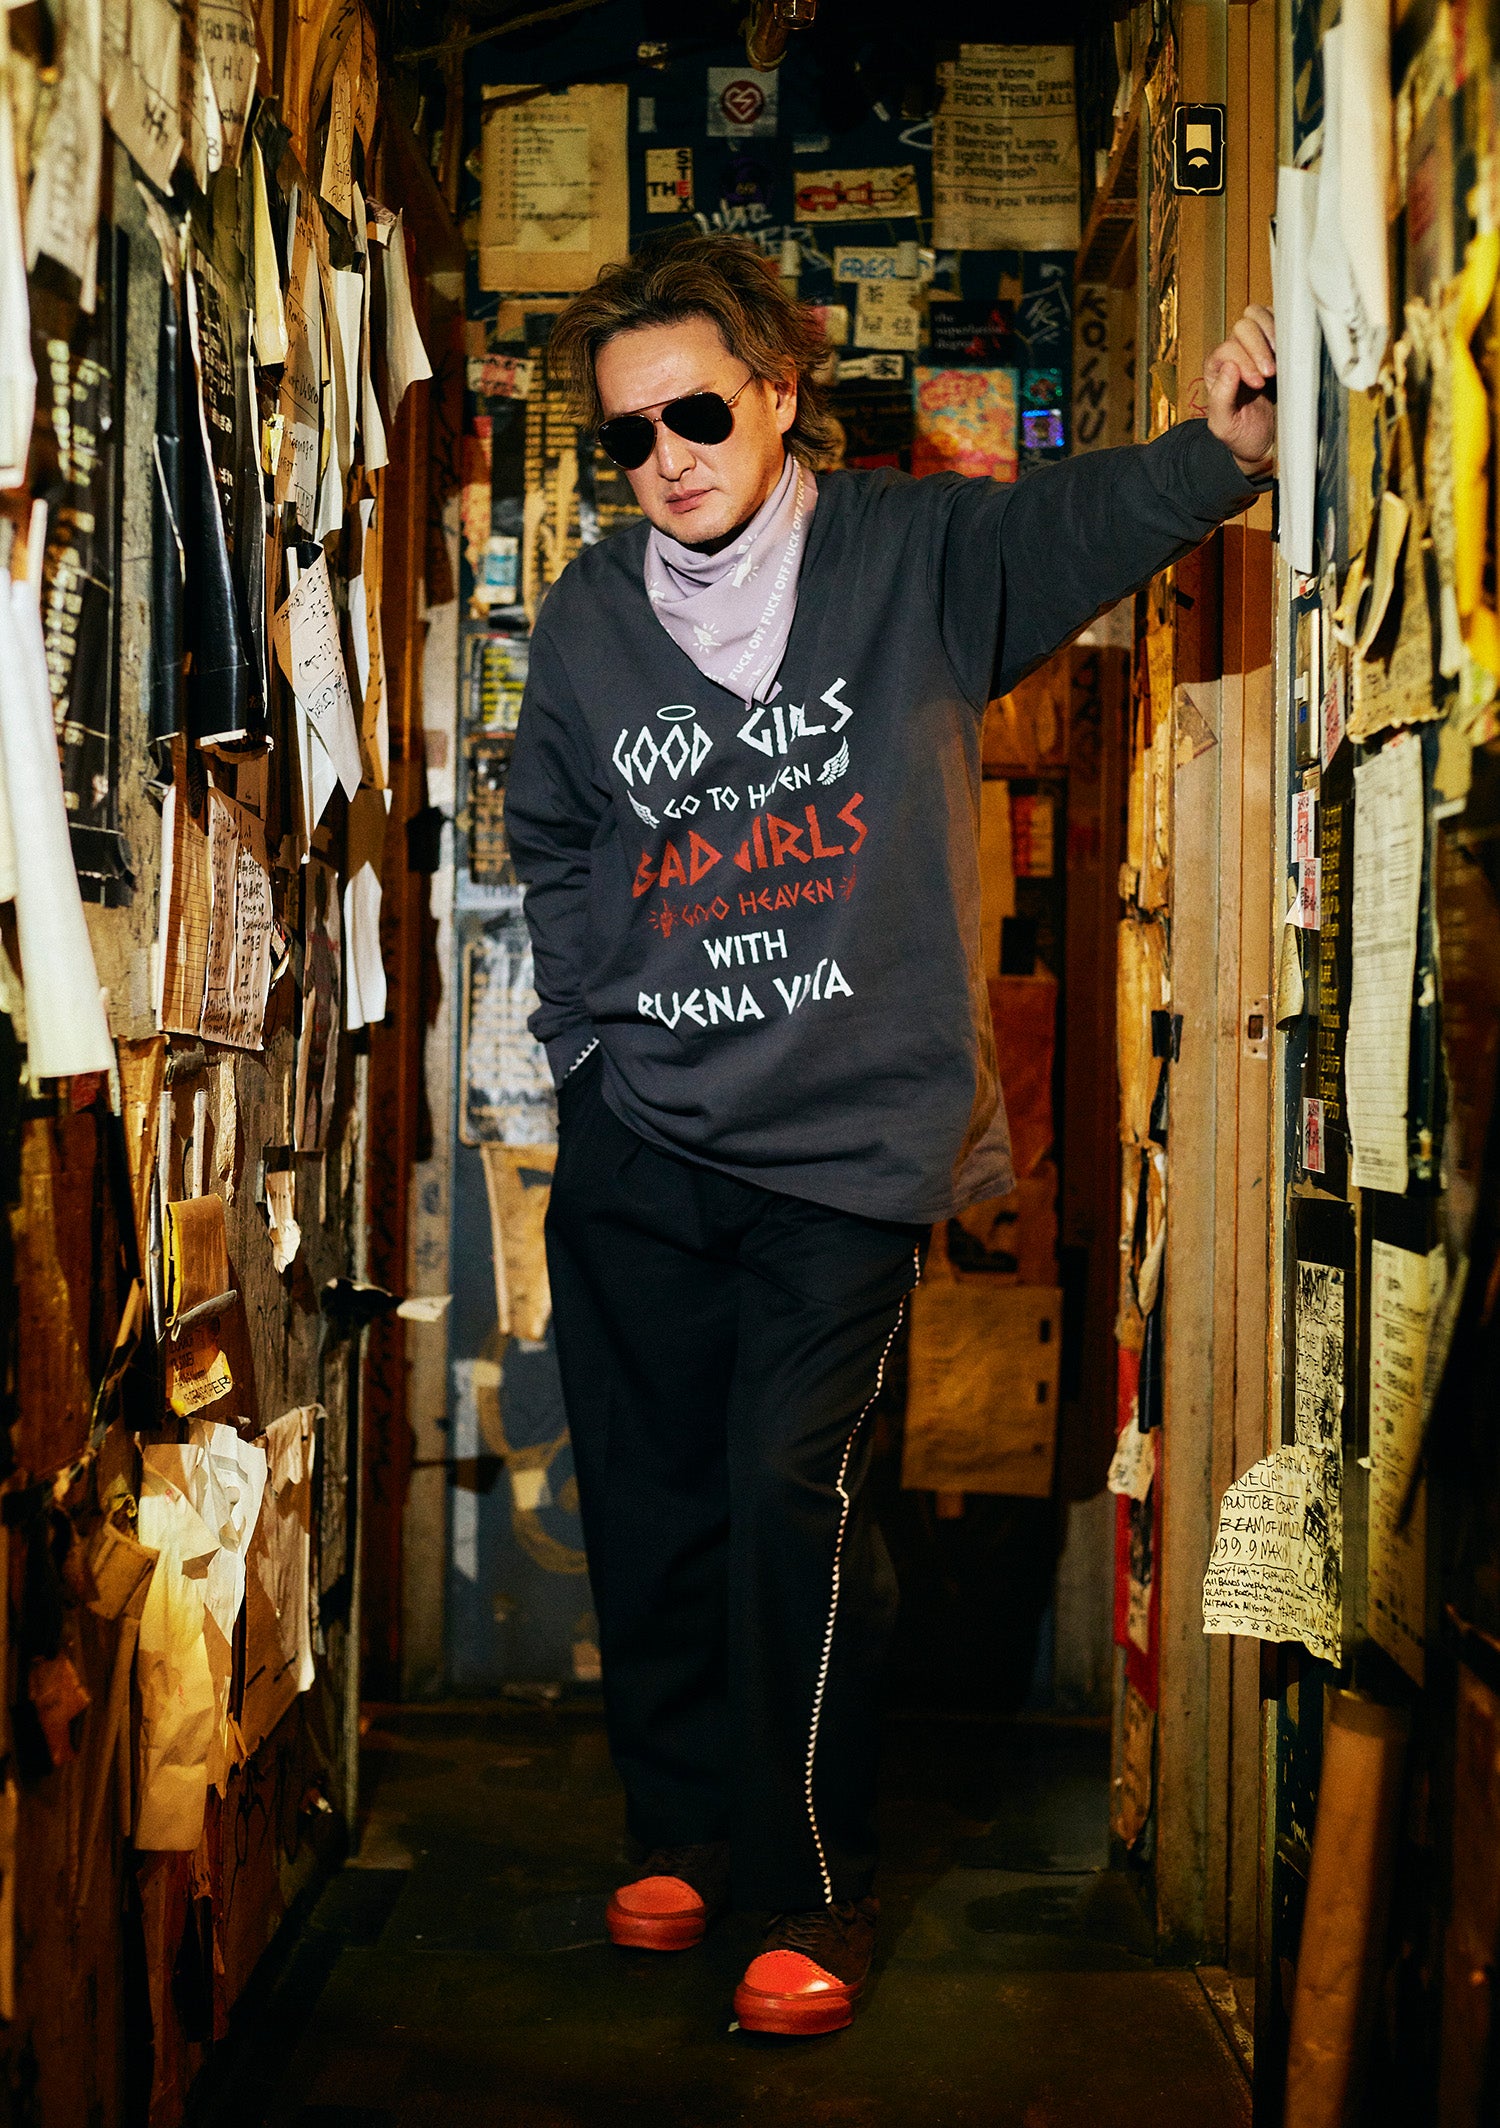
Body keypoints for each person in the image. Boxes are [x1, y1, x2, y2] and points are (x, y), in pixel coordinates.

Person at [506, 231, 1276, 2037]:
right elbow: (551, 836)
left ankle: (808, 1884)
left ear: (780, 395)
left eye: (699, 413)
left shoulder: (912, 560)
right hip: (645, 1135)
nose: (668, 457)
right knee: (654, 1495)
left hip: (846, 1154)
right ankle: (684, 1832)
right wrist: (591, 1047)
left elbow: (1073, 527)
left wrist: (1224, 451)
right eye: (630, 435)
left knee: (797, 1491)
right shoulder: (593, 615)